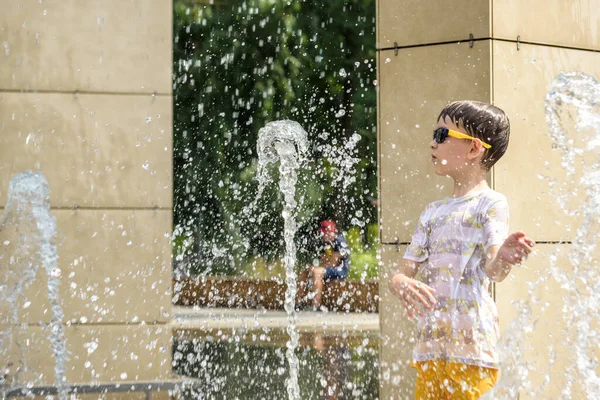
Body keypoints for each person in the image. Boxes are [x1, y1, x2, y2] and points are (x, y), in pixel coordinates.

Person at [388, 100, 535, 399]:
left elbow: (493, 270)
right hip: (431, 346)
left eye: (442, 136)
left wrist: (505, 257)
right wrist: (401, 283)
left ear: (473, 149)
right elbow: (400, 274)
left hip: (473, 350)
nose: (432, 143)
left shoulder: (490, 204)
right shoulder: (432, 211)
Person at [297, 219, 350, 309]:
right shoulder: (326, 243)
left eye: (325, 233)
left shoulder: (340, 241)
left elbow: (333, 263)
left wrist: (316, 268)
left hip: (341, 271)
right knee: (305, 271)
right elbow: (324, 261)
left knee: (317, 272)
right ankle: (298, 302)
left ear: (331, 232)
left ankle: (316, 305)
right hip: (331, 269)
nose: (323, 235)